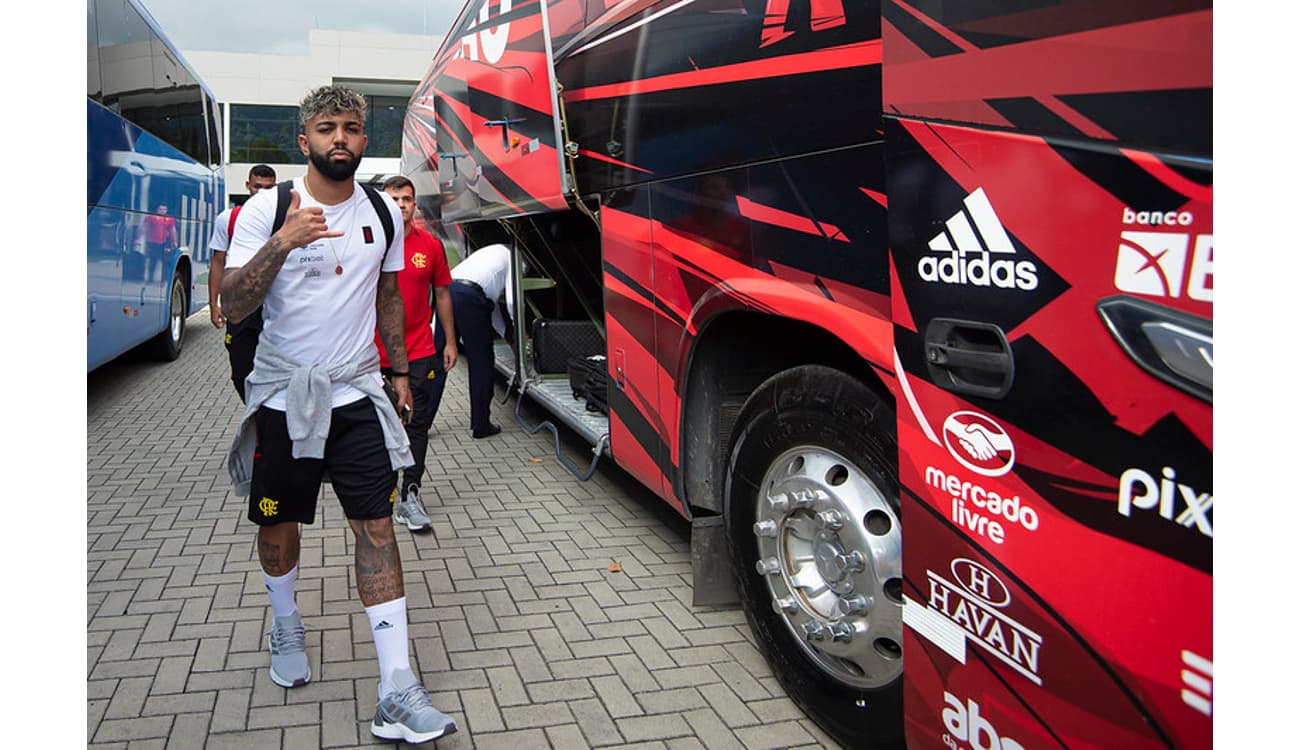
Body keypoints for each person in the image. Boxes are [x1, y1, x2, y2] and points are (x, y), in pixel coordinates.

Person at [220, 84, 457, 745]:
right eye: (328, 128)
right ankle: (286, 619)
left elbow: (385, 293)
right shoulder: (265, 211)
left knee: (376, 528)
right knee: (281, 526)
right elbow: (233, 304)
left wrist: (401, 372)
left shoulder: (382, 212)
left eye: (352, 128)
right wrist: (282, 244)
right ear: (306, 141)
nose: (341, 140)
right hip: (286, 399)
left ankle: (395, 686)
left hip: (357, 395)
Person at [374, 176, 458, 533]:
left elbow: (442, 295)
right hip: (372, 355)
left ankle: (409, 495)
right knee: (376, 429)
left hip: (421, 352)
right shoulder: (369, 244)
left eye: (406, 199)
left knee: (416, 426)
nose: (401, 205)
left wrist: (450, 342)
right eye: (394, 199)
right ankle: (379, 497)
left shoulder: (431, 247)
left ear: (414, 205)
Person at [436, 234, 516, 439]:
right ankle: (481, 424)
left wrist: (506, 334)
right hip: (471, 297)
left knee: (438, 361)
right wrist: (516, 327)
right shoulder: (517, 259)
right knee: (481, 361)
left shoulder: (492, 252)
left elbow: (491, 305)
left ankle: (422, 422)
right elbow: (511, 301)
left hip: (449, 291)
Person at [208, 164, 277, 402]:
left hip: (274, 307)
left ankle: (268, 418)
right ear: (248, 186)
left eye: (269, 188)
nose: (262, 193)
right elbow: (218, 262)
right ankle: (254, 412)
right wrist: (214, 303)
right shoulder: (229, 219)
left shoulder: (283, 217)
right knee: (240, 370)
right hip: (241, 307)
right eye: (258, 186)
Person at [142, 202, 178, 282]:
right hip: (152, 242)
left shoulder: (169, 219)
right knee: (152, 261)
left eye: (164, 209)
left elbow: (173, 230)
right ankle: (150, 278)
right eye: (160, 209)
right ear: (157, 210)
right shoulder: (151, 217)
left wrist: (174, 241)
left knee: (165, 261)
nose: (162, 211)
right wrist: (138, 238)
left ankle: (163, 279)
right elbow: (145, 227)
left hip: (164, 242)